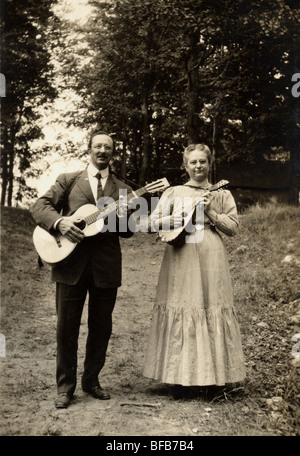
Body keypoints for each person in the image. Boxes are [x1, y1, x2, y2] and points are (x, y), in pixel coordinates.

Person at [30, 130, 134, 408]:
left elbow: (127, 232)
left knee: (101, 327)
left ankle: (91, 381)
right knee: (66, 327)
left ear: (113, 153)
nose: (102, 151)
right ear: (89, 150)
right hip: (69, 264)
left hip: (106, 266)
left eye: (108, 147)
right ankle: (65, 387)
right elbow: (40, 206)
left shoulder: (123, 190)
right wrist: (59, 223)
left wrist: (125, 218)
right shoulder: (69, 180)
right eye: (98, 146)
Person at [143, 143, 246, 393]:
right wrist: (176, 219)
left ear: (210, 164)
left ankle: (212, 378)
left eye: (203, 161)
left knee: (211, 304)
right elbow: (148, 224)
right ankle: (179, 377)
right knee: (183, 303)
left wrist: (211, 212)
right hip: (180, 253)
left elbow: (233, 229)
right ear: (185, 165)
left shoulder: (221, 193)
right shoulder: (174, 192)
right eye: (193, 162)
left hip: (211, 252)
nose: (198, 166)